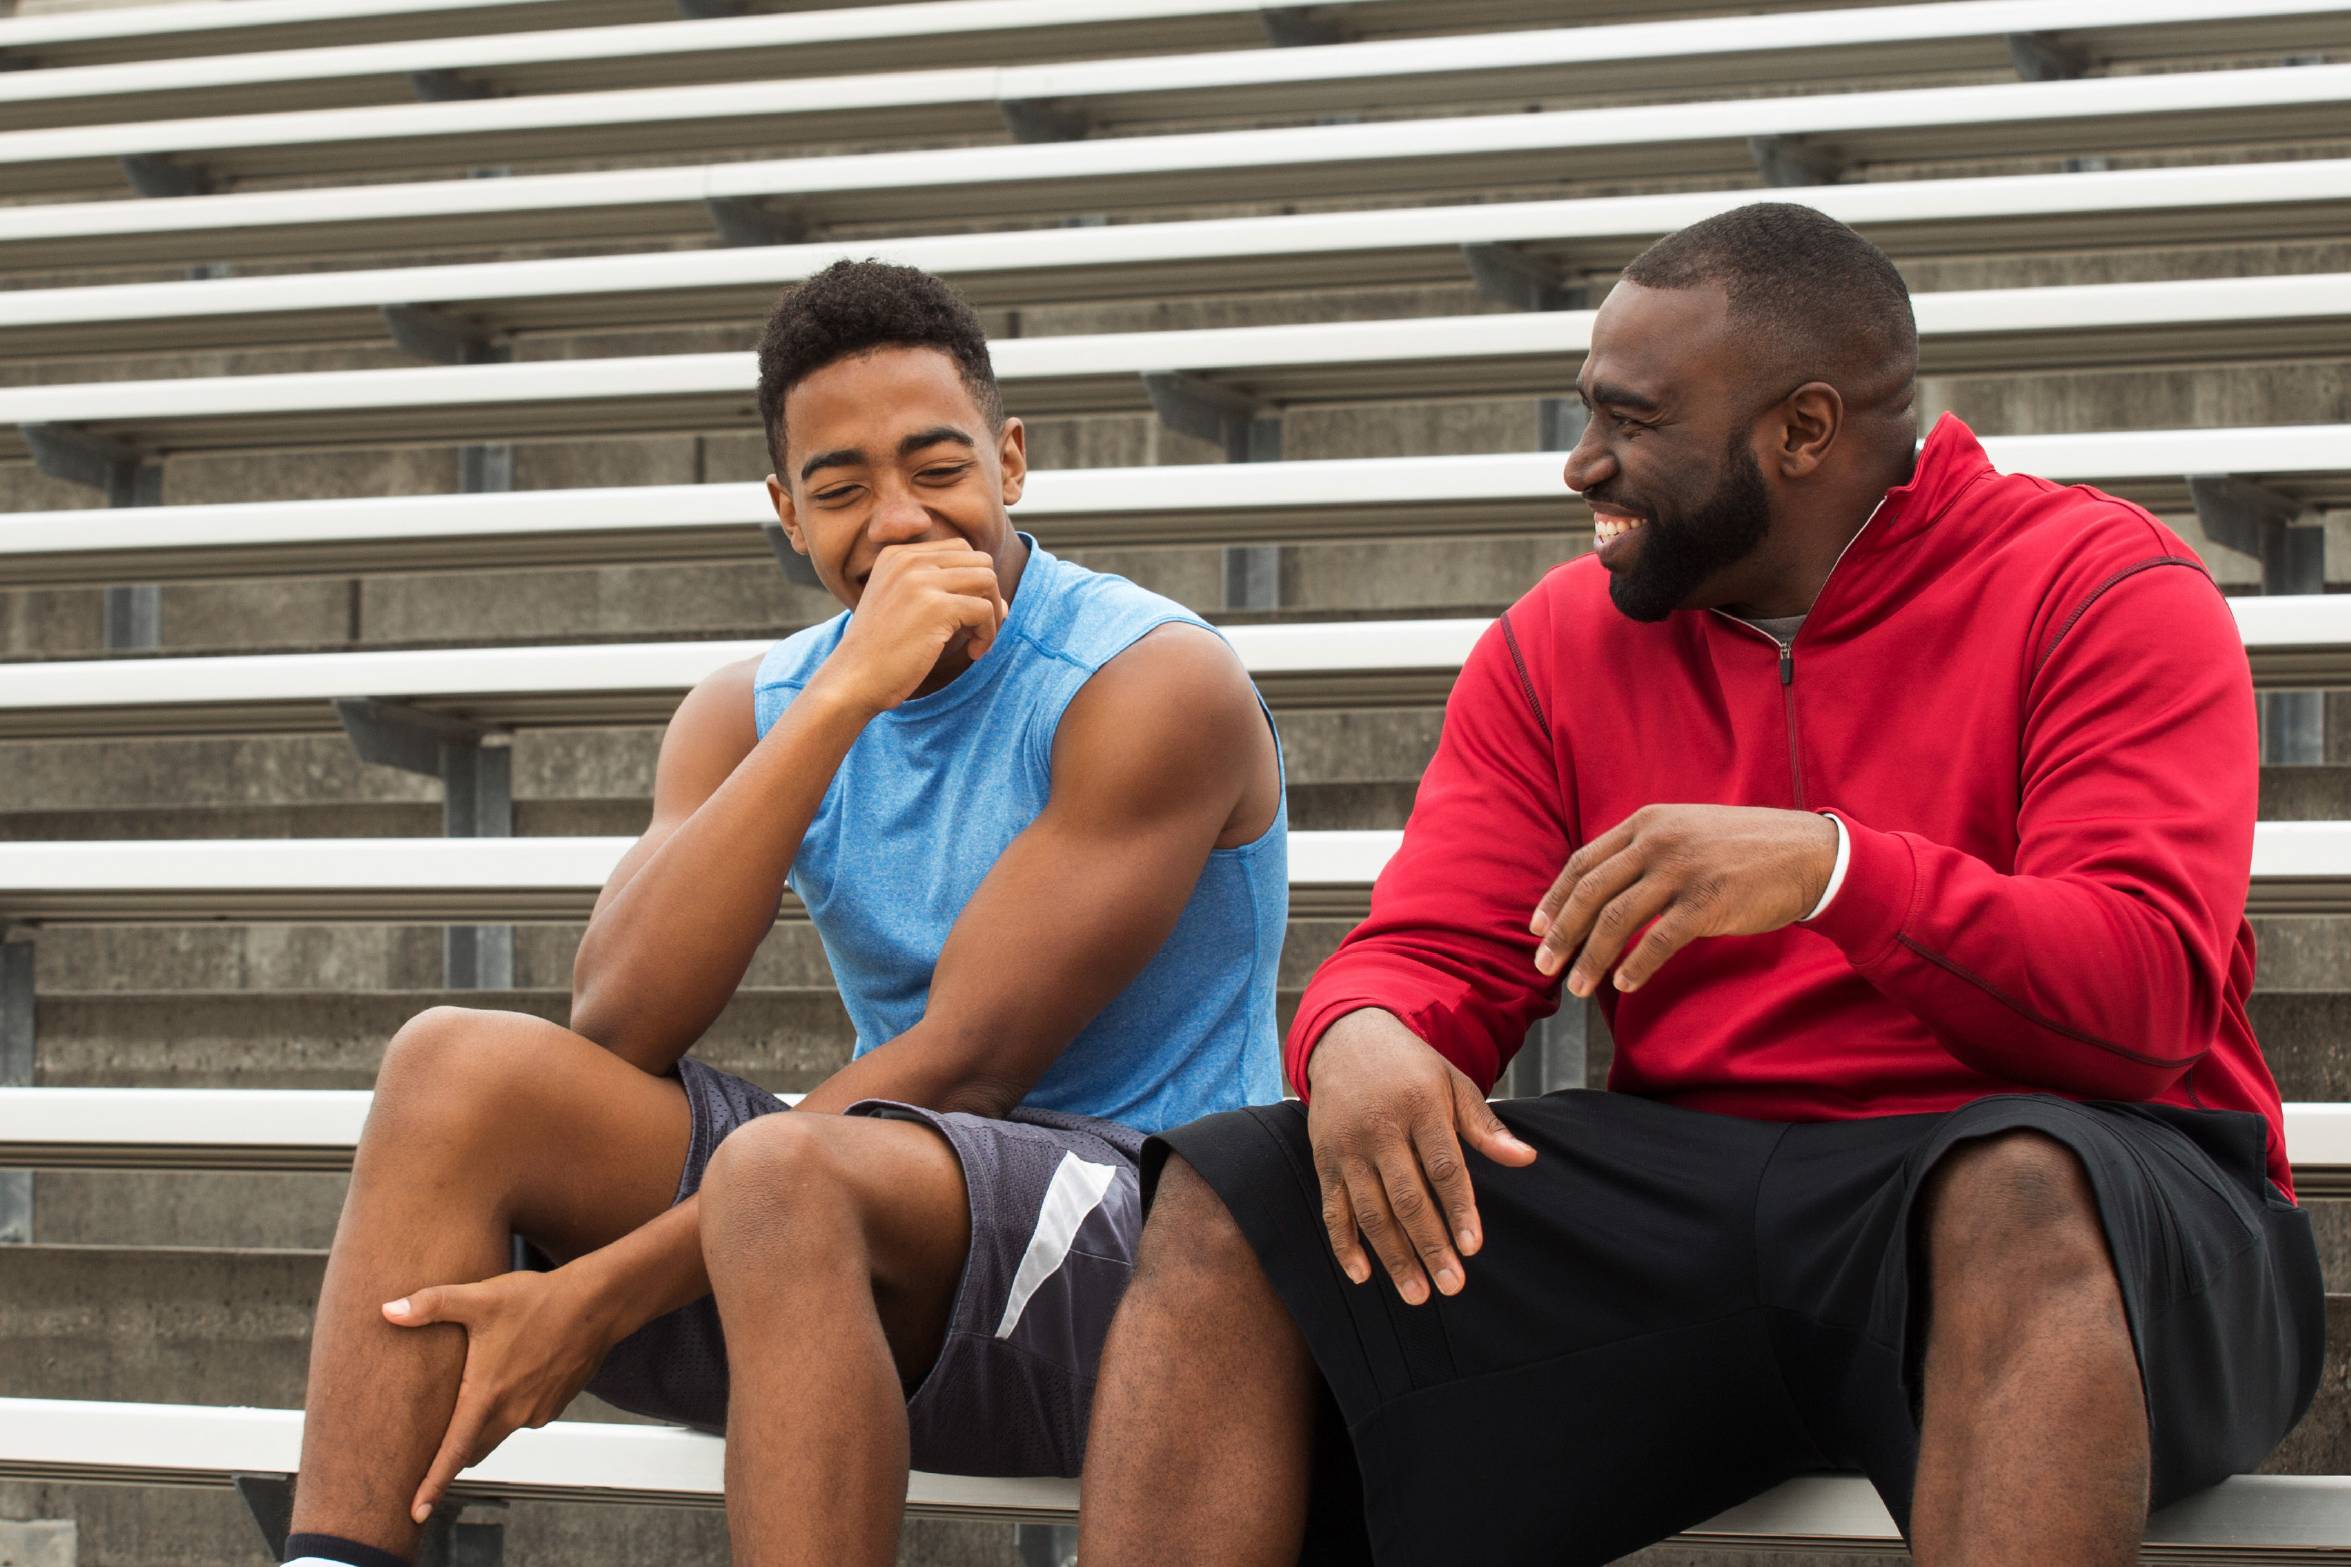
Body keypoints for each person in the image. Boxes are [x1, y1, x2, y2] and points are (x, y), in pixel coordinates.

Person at [1076, 203, 2321, 1567]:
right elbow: (1431, 948)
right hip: (1710, 1201)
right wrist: (1364, 1032)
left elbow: (2140, 998)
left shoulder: (2103, 585)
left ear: (1802, 430)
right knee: (1232, 1200)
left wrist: (1835, 872)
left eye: (1634, 420)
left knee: (2014, 1185)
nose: (1583, 461)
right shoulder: (1557, 644)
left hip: (2104, 1200)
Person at [278, 259, 1288, 1567]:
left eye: (938, 468)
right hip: (883, 1225)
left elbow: (971, 1063)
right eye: (843, 489)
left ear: (1014, 461)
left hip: (1162, 1258)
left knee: (786, 1166)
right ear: (784, 512)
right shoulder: (756, 707)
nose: (902, 520)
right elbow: (623, 1016)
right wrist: (834, 704)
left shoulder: (1150, 680)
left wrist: (598, 1290)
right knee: (453, 1072)